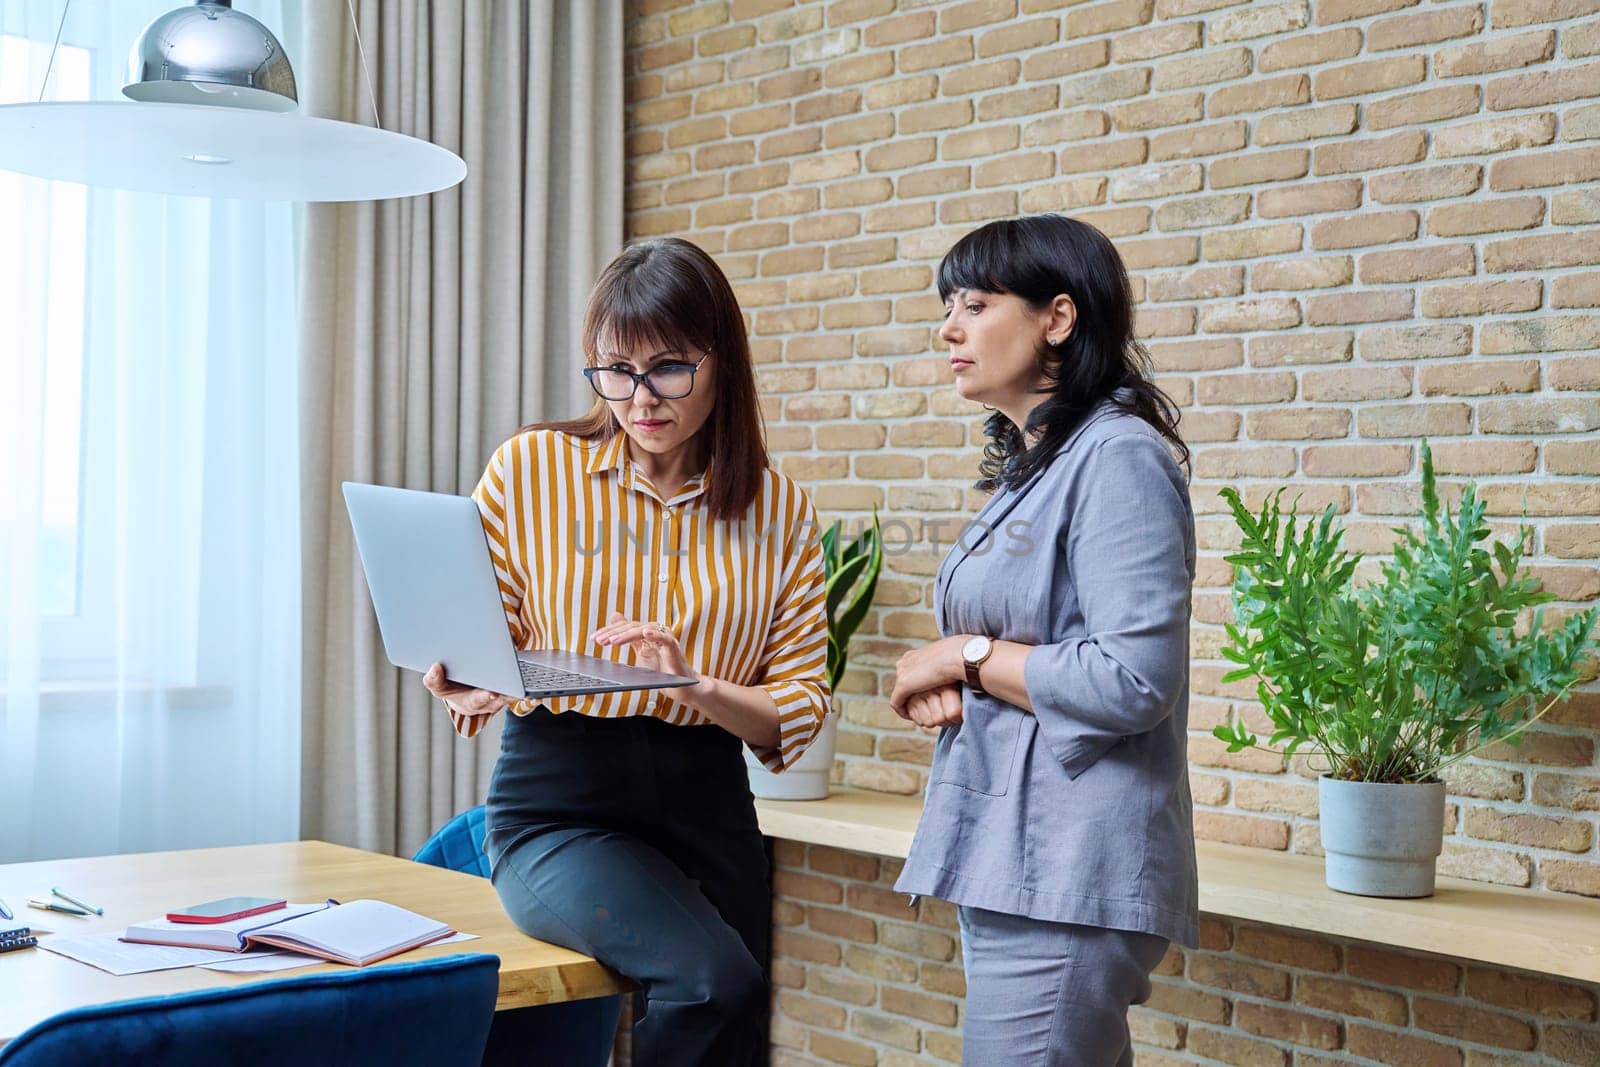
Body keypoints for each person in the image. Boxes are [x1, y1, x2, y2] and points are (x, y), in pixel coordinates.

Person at [423, 237, 831, 1066]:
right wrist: (463, 679)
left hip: (709, 800)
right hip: (560, 802)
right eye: (614, 370)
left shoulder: (778, 509)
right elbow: (477, 635)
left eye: (668, 368)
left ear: (722, 363)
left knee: (738, 1019)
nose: (638, 397)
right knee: (713, 979)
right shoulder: (531, 469)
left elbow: (799, 701)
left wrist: (692, 680)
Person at [888, 214, 1199, 1066]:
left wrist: (964, 658)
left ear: (1058, 318)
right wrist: (958, 678)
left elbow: (1134, 677)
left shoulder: (1119, 459)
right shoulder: (1041, 466)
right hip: (1013, 851)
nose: (949, 328)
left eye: (975, 304)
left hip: (1070, 867)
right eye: (948, 306)